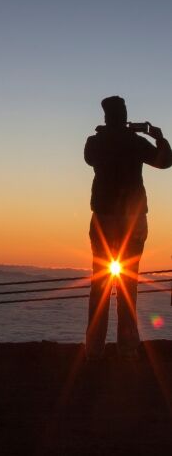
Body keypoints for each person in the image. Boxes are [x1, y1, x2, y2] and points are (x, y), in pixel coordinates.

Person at [84, 96, 172, 360]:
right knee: (129, 282)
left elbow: (90, 158)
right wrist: (159, 138)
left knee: (100, 281)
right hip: (132, 219)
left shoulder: (95, 142)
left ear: (105, 117)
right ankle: (127, 348)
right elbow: (165, 162)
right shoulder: (135, 142)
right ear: (123, 116)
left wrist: (108, 132)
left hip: (103, 218)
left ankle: (94, 349)